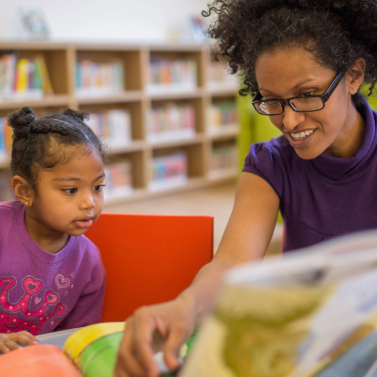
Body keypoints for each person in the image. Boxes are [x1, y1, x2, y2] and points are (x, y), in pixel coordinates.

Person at [113, 1, 377, 376]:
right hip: (306, 344)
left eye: (306, 93)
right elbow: (232, 263)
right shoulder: (270, 162)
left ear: (353, 75)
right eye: (271, 100)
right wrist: (185, 308)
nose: (288, 120)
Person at [0, 107, 106, 353]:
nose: (89, 202)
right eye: (71, 190)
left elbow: (79, 339)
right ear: (25, 191)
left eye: (98, 187)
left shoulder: (88, 262)